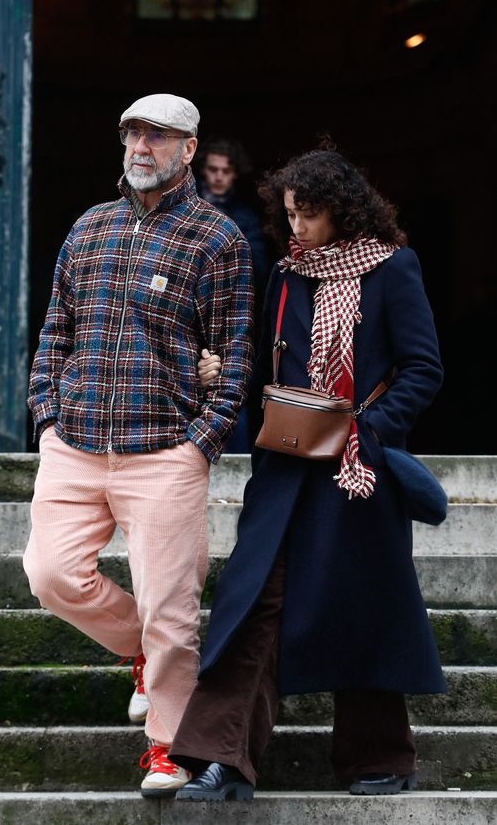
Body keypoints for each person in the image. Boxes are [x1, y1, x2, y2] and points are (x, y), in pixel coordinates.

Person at [168, 146, 446, 800]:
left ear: (342, 210)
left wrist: (364, 431)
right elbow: (270, 368)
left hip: (359, 471)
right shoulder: (288, 275)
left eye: (309, 214)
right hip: (287, 467)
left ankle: (381, 756)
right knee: (253, 599)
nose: (296, 228)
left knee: (364, 604)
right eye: (289, 214)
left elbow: (423, 368)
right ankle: (224, 760)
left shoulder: (393, 267)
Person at [23, 93, 254, 798]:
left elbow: (236, 351)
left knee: (174, 609)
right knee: (50, 574)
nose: (140, 147)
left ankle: (166, 747)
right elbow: (54, 329)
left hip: (164, 449)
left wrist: (201, 441)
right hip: (77, 440)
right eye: (131, 134)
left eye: (157, 137)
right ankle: (139, 652)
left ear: (189, 149)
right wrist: (45, 416)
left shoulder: (219, 239)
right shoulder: (89, 226)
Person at [196, 137, 273, 452]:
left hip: (231, 315)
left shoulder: (245, 217)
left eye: (224, 171)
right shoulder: (185, 209)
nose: (217, 176)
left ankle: (235, 461)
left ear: (234, 174)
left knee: (232, 388)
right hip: (185, 315)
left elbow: (261, 269)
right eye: (212, 169)